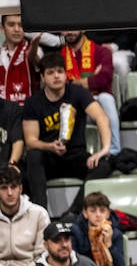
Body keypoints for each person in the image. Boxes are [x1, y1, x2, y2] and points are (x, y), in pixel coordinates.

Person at [22, 51, 113, 215]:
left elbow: (102, 118)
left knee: (104, 164)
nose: (56, 76)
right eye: (50, 73)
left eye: (60, 71)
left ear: (65, 74)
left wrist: (104, 149)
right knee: (33, 156)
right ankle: (40, 214)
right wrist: (49, 146)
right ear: (42, 78)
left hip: (75, 156)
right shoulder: (33, 102)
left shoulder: (77, 93)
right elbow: (30, 141)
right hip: (49, 158)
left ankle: (74, 213)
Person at [59, 30, 122, 160]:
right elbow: (59, 86)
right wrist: (91, 78)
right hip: (76, 108)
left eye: (73, 28)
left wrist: (73, 82)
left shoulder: (102, 52)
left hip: (99, 105)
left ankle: (113, 151)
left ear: (83, 29)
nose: (69, 32)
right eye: (65, 29)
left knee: (106, 98)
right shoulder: (59, 56)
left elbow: (104, 79)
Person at [0, 163, 48, 266]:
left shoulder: (39, 214)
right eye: (4, 188)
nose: (10, 193)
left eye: (13, 187)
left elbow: (43, 254)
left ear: (20, 188)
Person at [71, 191, 123, 266]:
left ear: (108, 214)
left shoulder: (115, 233)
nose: (98, 215)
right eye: (93, 210)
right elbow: (73, 263)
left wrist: (109, 244)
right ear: (85, 213)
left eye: (102, 211)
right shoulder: (75, 232)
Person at [0, 15, 35, 105]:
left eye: (21, 25)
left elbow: (35, 59)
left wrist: (35, 45)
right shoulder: (1, 53)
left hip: (26, 114)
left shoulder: (34, 50)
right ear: (2, 27)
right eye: (11, 25)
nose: (17, 29)